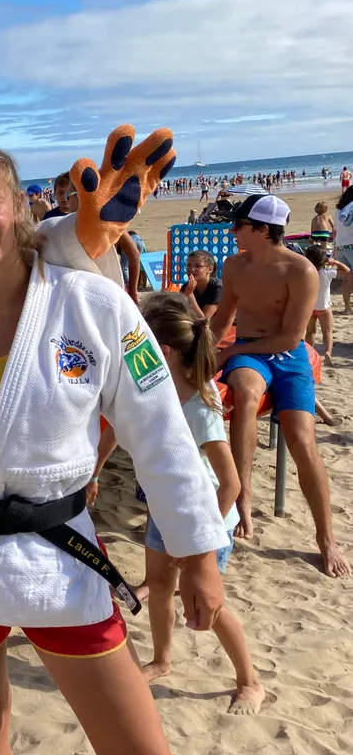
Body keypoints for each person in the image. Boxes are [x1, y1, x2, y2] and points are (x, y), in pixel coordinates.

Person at [0, 141, 227, 755]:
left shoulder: (95, 304)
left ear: (20, 207)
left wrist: (199, 554)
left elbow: (160, 434)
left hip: (60, 551)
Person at [210, 193, 350, 577]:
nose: (232, 230)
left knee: (302, 440)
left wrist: (230, 351)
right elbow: (222, 320)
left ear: (262, 230)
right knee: (245, 393)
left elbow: (291, 338)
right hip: (250, 351)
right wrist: (205, 353)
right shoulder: (234, 265)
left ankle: (326, 538)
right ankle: (243, 496)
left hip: (288, 355)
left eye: (239, 225)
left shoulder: (300, 270)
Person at [137, 293, 264, 715]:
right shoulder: (156, 387)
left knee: (209, 605)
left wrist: (199, 541)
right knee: (159, 588)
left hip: (206, 519)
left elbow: (230, 484)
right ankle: (162, 660)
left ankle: (250, 681)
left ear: (165, 351)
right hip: (165, 510)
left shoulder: (200, 404)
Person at [304, 245, 349, 366]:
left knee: (310, 332)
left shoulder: (306, 273)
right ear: (324, 260)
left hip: (310, 307)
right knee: (327, 332)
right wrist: (335, 262)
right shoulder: (327, 273)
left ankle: (309, 353)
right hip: (324, 307)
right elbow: (347, 271)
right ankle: (328, 353)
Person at [182, 249, 222, 318]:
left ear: (210, 269)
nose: (192, 269)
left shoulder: (218, 287)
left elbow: (204, 319)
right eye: (189, 265)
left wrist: (190, 294)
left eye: (198, 266)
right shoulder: (186, 287)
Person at [333, 186, 353, 314]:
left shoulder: (338, 211)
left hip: (340, 246)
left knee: (347, 279)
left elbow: (335, 232)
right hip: (351, 246)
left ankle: (347, 307)